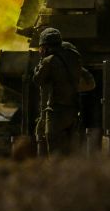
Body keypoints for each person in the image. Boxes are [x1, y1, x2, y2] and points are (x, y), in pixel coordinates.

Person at [33, 27, 88, 157]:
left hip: (55, 112)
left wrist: (38, 65)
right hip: (72, 109)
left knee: (54, 150)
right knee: (70, 150)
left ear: (45, 47)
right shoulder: (73, 58)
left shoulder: (49, 61)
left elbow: (38, 80)